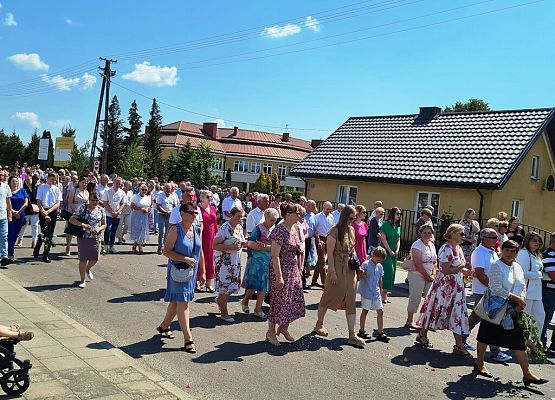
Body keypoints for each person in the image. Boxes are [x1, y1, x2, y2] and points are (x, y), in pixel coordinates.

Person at [474, 240, 548, 387]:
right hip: (496, 309)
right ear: (502, 250)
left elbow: (522, 286)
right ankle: (479, 363)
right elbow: (495, 288)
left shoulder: (517, 267)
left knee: (518, 341)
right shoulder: (497, 265)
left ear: (516, 253)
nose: (509, 253)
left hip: (513, 310)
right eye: (506, 250)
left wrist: (521, 300)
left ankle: (527, 374)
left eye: (512, 251)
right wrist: (514, 298)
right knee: (485, 336)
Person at [416, 224, 472, 357]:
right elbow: (446, 270)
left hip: (456, 288)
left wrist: (468, 272)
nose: (463, 236)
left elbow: (459, 267)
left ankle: (458, 345)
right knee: (437, 310)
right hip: (445, 288)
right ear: (453, 234)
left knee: (456, 314)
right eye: (461, 233)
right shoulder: (446, 249)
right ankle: (423, 334)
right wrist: (460, 268)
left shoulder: (458, 248)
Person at [313, 205, 365, 349]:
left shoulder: (352, 230)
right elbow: (329, 254)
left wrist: (358, 266)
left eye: (354, 219)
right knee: (329, 295)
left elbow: (352, 251)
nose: (353, 221)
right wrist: (333, 272)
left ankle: (352, 334)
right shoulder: (334, 231)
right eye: (351, 218)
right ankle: (319, 324)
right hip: (337, 266)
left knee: (351, 299)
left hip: (349, 268)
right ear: (344, 217)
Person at [157, 202, 205, 353]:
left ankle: (164, 326)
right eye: (191, 213)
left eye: (195, 213)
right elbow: (166, 252)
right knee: (183, 302)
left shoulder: (196, 228)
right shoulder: (175, 229)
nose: (194, 216)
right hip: (178, 271)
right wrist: (184, 258)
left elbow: (200, 251)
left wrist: (202, 271)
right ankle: (188, 338)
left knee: (176, 302)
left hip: (191, 272)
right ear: (182, 213)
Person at [464, 228, 512, 362]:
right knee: (491, 320)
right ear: (483, 238)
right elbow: (479, 274)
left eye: (496, 238)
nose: (496, 240)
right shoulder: (479, 252)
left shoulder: (491, 251)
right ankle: (495, 351)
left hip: (491, 290)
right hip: (483, 290)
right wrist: (493, 288)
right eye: (492, 238)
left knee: (477, 317)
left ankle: (461, 339)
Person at [265, 203, 306, 346]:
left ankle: (283, 328)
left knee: (293, 299)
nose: (300, 216)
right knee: (278, 301)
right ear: (288, 215)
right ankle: (271, 332)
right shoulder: (279, 230)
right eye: (297, 213)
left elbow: (297, 245)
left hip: (293, 269)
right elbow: (275, 255)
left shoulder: (295, 228)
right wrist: (279, 276)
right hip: (281, 270)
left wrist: (299, 249)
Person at [241, 208, 279, 319]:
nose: (273, 222)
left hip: (268, 261)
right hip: (256, 261)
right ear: (266, 218)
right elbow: (250, 243)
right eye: (271, 220)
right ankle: (245, 301)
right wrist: (266, 247)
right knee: (253, 285)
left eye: (275, 220)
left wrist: (269, 248)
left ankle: (258, 309)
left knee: (263, 286)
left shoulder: (274, 229)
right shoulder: (258, 229)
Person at [213, 206, 246, 323]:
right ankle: (224, 313)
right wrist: (231, 247)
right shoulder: (225, 228)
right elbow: (215, 245)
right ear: (231, 215)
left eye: (242, 217)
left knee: (232, 287)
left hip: (234, 262)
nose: (240, 219)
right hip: (224, 263)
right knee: (225, 289)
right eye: (238, 216)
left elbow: (241, 242)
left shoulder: (239, 227)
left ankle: (220, 301)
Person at [69, 192, 106, 288]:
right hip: (84, 236)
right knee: (83, 259)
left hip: (96, 237)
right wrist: (83, 225)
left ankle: (88, 269)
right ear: (89, 200)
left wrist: (99, 229)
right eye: (93, 200)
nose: (94, 202)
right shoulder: (83, 207)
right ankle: (82, 280)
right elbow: (72, 219)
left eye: (96, 200)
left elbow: (104, 224)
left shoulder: (101, 210)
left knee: (95, 258)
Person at [405, 225, 437, 329]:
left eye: (429, 233)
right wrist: (427, 276)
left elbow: (435, 262)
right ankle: (409, 321)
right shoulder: (417, 245)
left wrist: (433, 274)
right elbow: (418, 263)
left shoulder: (431, 245)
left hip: (429, 275)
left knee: (430, 299)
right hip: (417, 274)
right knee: (415, 297)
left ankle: (425, 321)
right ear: (421, 233)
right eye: (425, 232)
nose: (427, 234)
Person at [358, 247, 389, 342]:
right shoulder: (366, 264)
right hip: (366, 291)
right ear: (373, 256)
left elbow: (380, 279)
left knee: (380, 311)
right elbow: (359, 276)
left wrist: (381, 289)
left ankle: (380, 332)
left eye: (381, 261)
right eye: (378, 260)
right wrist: (361, 275)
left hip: (376, 292)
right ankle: (361, 330)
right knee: (365, 310)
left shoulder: (379, 266)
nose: (379, 262)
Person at [516, 232, 545, 334]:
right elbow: (522, 272)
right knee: (524, 319)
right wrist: (538, 274)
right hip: (526, 292)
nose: (537, 243)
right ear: (527, 241)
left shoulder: (537, 255)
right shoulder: (523, 254)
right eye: (535, 240)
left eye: (539, 241)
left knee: (540, 318)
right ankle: (520, 345)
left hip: (536, 293)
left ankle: (533, 344)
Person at [33, 173, 63, 263]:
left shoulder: (57, 189)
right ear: (48, 178)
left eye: (55, 180)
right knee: (44, 232)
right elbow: (38, 200)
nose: (53, 181)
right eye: (52, 179)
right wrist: (42, 211)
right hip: (43, 210)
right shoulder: (41, 187)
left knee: (50, 234)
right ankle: (37, 248)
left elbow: (58, 202)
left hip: (52, 211)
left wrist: (49, 211)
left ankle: (46, 254)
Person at [379, 207, 401, 303]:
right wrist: (389, 251)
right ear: (392, 214)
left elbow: (398, 239)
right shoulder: (385, 225)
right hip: (386, 251)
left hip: (393, 251)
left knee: (393, 273)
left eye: (400, 214)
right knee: (388, 271)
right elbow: (383, 239)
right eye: (397, 214)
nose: (399, 216)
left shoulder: (397, 226)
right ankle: (381, 293)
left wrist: (397, 249)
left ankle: (385, 294)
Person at [311, 201, 335, 288]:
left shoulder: (331, 217)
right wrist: (319, 240)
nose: (328, 210)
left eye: (330, 209)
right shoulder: (317, 217)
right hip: (319, 239)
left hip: (327, 239)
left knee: (320, 261)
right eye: (327, 209)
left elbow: (332, 228)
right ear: (323, 208)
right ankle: (324, 282)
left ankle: (314, 280)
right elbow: (315, 230)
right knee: (322, 260)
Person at [198, 190, 218, 292]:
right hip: (202, 235)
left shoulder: (213, 208)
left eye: (211, 197)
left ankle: (209, 283)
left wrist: (218, 236)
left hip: (212, 235)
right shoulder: (197, 209)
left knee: (211, 258)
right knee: (200, 257)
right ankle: (197, 281)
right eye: (208, 197)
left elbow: (215, 223)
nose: (210, 199)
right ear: (201, 198)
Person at [6, 176, 28, 263]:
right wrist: (14, 212)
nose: (15, 183)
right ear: (10, 182)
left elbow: (26, 203)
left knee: (15, 235)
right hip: (11, 215)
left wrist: (19, 212)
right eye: (13, 181)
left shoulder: (22, 191)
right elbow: (6, 203)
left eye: (16, 181)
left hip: (21, 215)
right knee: (10, 235)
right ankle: (10, 254)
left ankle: (8, 251)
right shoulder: (8, 191)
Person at [65, 177, 89, 256]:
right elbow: (70, 202)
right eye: (83, 182)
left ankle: (80, 248)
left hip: (82, 213)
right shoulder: (74, 190)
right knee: (70, 230)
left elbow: (87, 203)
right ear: (79, 182)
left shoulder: (86, 192)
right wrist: (75, 211)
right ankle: (68, 246)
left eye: (86, 183)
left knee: (81, 231)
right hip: (73, 211)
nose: (84, 184)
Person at [101, 177, 125, 253]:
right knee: (108, 229)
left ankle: (111, 245)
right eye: (117, 183)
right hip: (108, 214)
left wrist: (118, 211)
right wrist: (111, 212)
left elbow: (122, 203)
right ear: (113, 183)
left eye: (119, 184)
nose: (118, 185)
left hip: (117, 214)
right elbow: (105, 202)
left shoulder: (122, 192)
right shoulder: (107, 191)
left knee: (114, 230)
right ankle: (105, 246)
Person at [541, 233, 555, 356]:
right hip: (550, 291)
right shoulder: (548, 255)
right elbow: (553, 275)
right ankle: (541, 343)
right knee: (546, 318)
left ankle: (554, 346)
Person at [156, 183, 179, 255]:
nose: (168, 190)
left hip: (170, 216)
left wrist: (172, 213)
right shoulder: (160, 195)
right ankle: (159, 247)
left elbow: (175, 206)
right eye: (167, 188)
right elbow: (158, 206)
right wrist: (165, 212)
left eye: (169, 188)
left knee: (168, 232)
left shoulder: (173, 196)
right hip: (161, 215)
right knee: (161, 231)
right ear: (164, 188)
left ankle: (165, 248)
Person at [18, 174, 40, 249]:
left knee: (35, 225)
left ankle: (34, 241)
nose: (27, 181)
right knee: (23, 225)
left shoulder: (37, 188)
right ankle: (20, 238)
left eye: (29, 180)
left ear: (32, 180)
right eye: (26, 180)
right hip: (26, 210)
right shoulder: (23, 189)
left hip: (35, 210)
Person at [130, 184, 151, 254]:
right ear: (139, 189)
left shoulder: (148, 197)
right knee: (138, 230)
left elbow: (149, 206)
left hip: (144, 216)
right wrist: (141, 209)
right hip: (136, 215)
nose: (144, 191)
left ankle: (135, 245)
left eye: (145, 190)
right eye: (143, 189)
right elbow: (132, 206)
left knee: (143, 230)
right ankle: (140, 247)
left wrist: (147, 209)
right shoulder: (135, 197)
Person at [303, 200, 318, 285]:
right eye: (314, 205)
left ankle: (303, 280)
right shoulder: (303, 215)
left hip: (310, 240)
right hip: (303, 239)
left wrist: (318, 240)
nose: (315, 207)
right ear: (308, 206)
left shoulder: (313, 216)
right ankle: (302, 281)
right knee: (303, 260)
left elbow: (314, 229)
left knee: (306, 260)